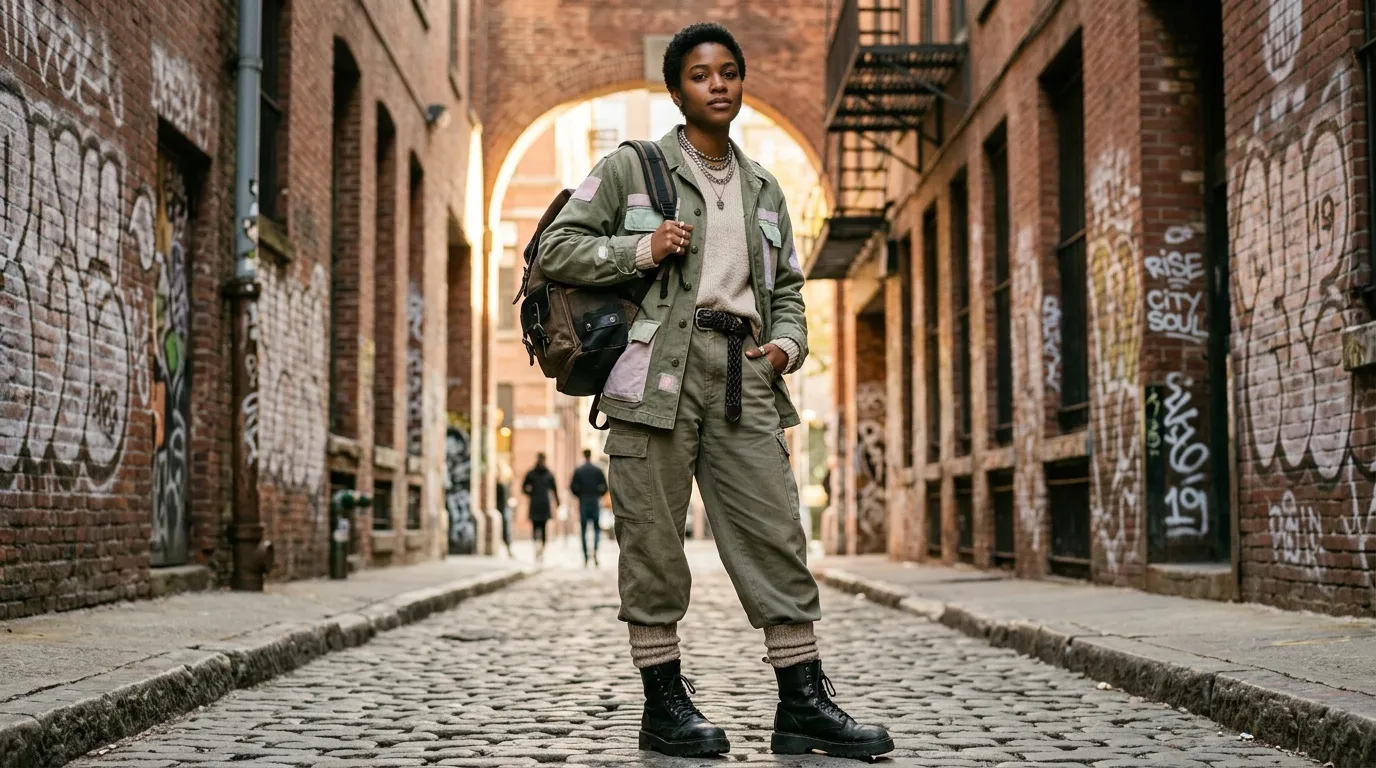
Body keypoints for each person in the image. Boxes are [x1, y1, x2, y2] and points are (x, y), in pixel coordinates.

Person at [538, 22, 891, 760]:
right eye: (701, 75)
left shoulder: (765, 187)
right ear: (677, 91)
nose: (718, 84)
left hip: (743, 374)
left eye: (729, 71)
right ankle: (664, 706)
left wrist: (786, 346)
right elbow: (558, 248)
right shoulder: (632, 169)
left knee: (775, 532)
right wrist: (640, 248)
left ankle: (803, 704)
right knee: (652, 542)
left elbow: (787, 289)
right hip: (651, 377)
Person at [570, 449, 608, 567]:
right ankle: (595, 552)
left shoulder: (579, 470)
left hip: (584, 502)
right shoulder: (597, 470)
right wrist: (598, 494)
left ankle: (586, 556)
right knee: (596, 529)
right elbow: (605, 487)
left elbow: (573, 487)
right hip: (595, 501)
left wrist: (580, 495)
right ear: (591, 455)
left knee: (584, 530)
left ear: (584, 455)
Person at [521, 453, 559, 561]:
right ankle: (540, 549)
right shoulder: (548, 474)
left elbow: (524, 488)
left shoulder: (532, 473)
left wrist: (531, 493)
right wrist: (558, 503)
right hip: (543, 504)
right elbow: (554, 490)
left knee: (536, 528)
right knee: (542, 528)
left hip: (536, 503)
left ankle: (538, 548)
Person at [496, 459, 515, 558]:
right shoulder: (501, 486)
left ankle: (508, 548)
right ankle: (508, 549)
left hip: (504, 509)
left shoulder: (504, 485)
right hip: (503, 509)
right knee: (506, 530)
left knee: (506, 530)